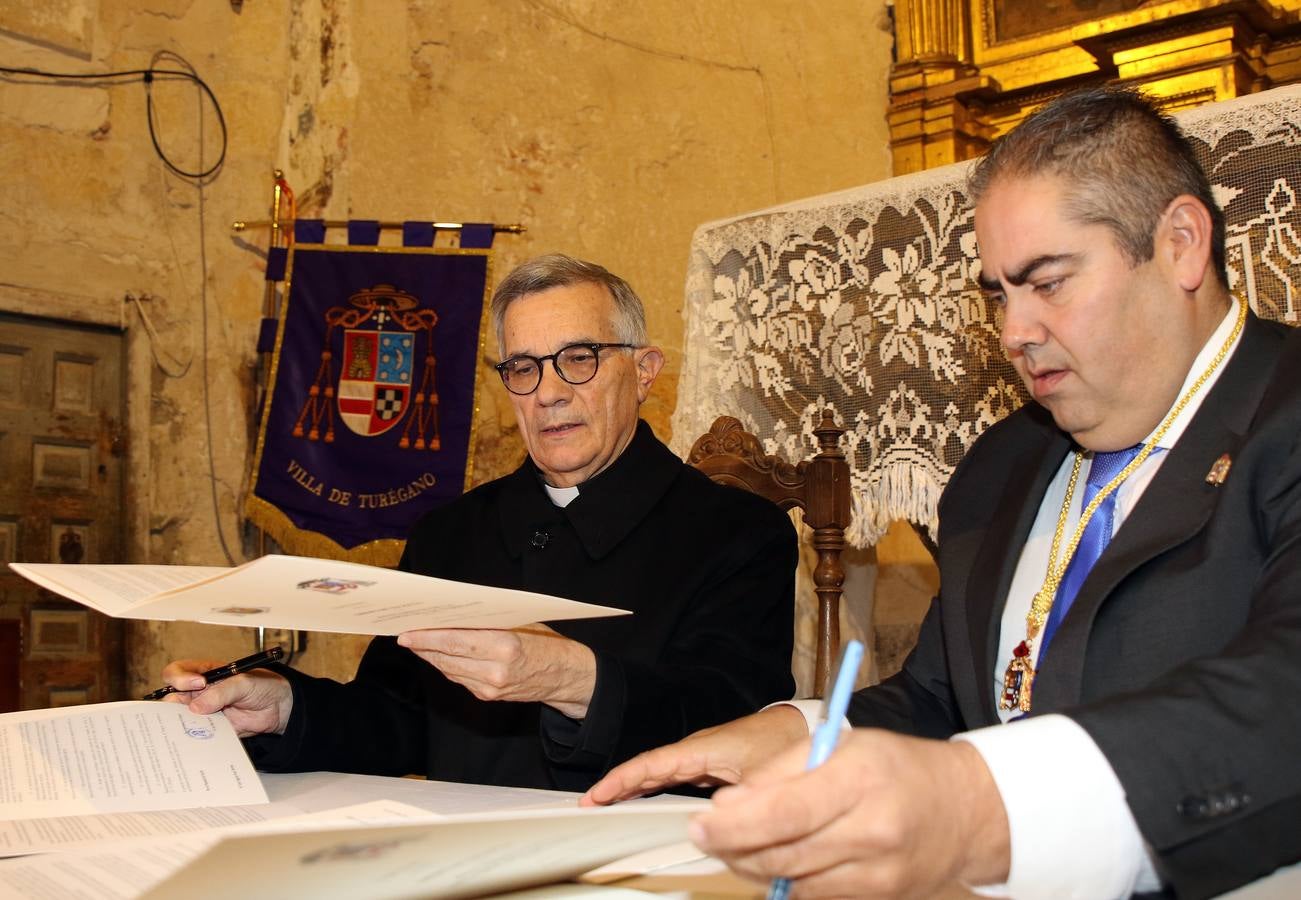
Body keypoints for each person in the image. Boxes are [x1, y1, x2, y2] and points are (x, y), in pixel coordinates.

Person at [583, 87, 1301, 898]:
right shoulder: (1005, 461)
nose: (1012, 333)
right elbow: (941, 698)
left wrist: (977, 807)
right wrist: (801, 733)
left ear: (1178, 245)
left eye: (1048, 282)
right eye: (998, 293)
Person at [162, 253, 797, 792]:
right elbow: (397, 720)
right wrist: (286, 708)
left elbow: (736, 728)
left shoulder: (739, 533)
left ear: (645, 372)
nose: (548, 392)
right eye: (523, 368)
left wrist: (571, 679)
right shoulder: (451, 532)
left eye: (579, 357)